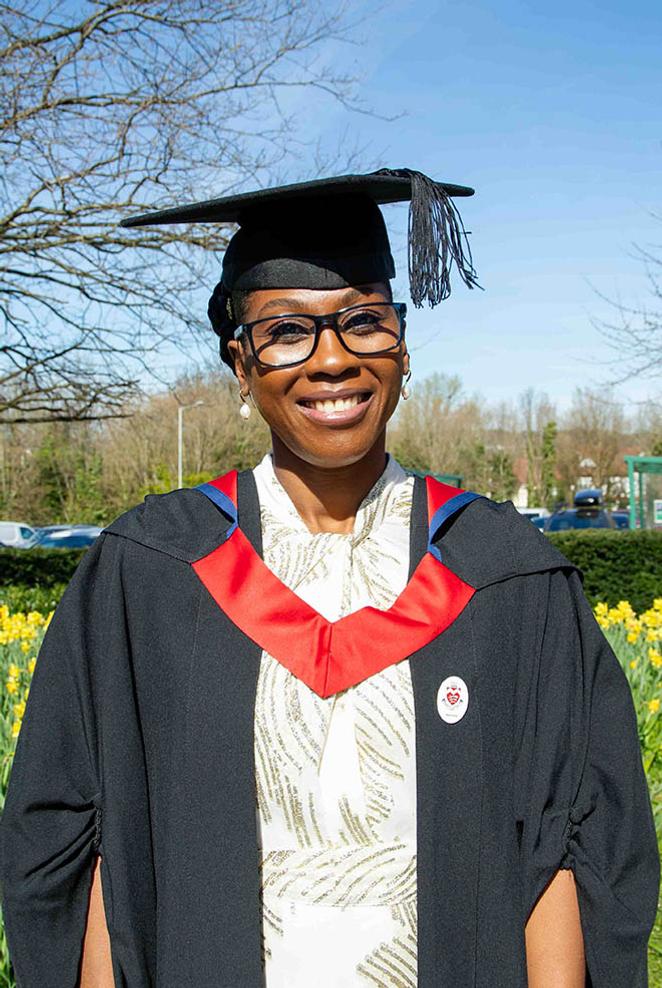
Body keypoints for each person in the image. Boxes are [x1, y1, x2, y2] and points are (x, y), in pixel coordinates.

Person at [0, 168, 658, 988]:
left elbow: (565, 846)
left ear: (404, 348)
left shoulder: (506, 575)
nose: (333, 360)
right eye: (286, 333)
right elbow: (97, 845)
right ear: (240, 366)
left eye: (363, 322)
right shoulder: (150, 575)